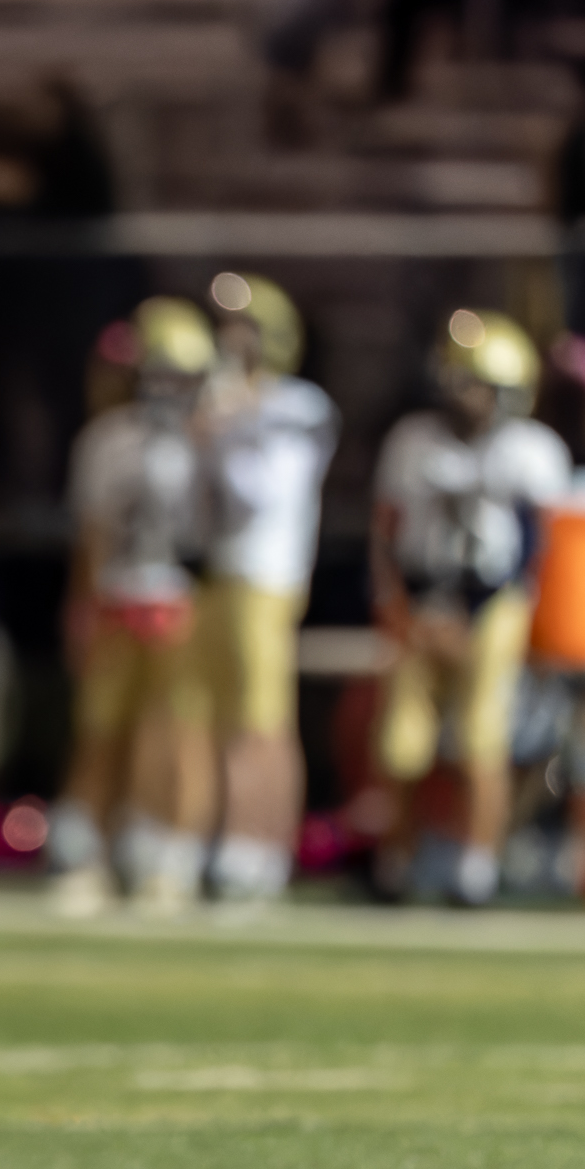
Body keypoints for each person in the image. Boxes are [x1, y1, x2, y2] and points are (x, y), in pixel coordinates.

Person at [369, 309, 570, 905]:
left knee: (483, 738)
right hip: (421, 599)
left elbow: (535, 551)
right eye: (459, 379)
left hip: (494, 605)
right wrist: (403, 609)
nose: (464, 394)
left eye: (478, 383)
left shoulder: (532, 450)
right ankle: (397, 860)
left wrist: (471, 617)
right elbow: (388, 533)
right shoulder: (412, 440)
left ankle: (476, 867)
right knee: (400, 742)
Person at [48, 297, 216, 915]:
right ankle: (86, 854)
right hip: (123, 595)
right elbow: (92, 540)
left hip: (185, 601)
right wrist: (83, 609)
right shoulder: (108, 439)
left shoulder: (214, 442)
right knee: (101, 730)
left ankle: (169, 858)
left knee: (174, 735)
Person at [194, 272, 336, 900]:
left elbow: (260, 494)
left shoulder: (297, 406)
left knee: (262, 721)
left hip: (266, 573)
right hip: (222, 570)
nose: (230, 340)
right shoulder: (228, 405)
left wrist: (219, 431)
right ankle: (232, 839)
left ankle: (257, 847)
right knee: (226, 718)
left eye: (243, 328)